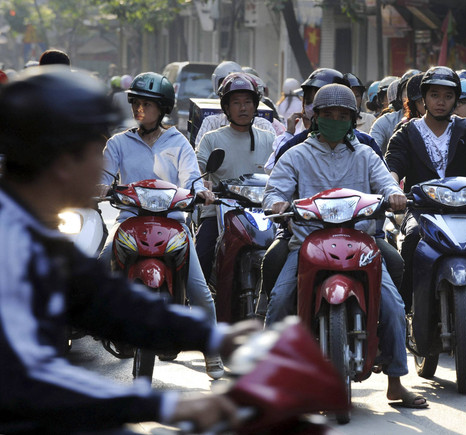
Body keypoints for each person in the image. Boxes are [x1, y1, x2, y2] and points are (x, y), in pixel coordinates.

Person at [0, 65, 258, 434]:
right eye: (93, 148)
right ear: (58, 156)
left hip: (172, 221)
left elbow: (106, 300)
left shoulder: (34, 236)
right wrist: (165, 405)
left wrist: (214, 337)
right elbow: (31, 381)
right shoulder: (8, 243)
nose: (100, 164)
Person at [263, 83, 427, 409]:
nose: (335, 120)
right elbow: (274, 191)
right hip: (307, 242)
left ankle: (395, 382)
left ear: (353, 120)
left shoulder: (366, 155)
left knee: (394, 307)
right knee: (280, 299)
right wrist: (278, 203)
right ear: (316, 117)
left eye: (342, 115)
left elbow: (386, 184)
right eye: (328, 115)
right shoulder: (296, 154)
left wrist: (394, 195)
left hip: (363, 243)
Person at [96, 72, 225, 379]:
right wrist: (99, 187)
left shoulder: (178, 142)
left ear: (163, 108)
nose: (140, 109)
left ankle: (212, 352)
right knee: (94, 266)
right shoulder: (117, 143)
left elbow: (191, 179)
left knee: (200, 290)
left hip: (172, 224)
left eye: (148, 104)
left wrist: (201, 191)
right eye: (136, 103)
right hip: (129, 222)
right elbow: (103, 178)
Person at [385, 66, 466, 331]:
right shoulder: (406, 133)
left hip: (465, 212)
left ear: (456, 100)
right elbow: (392, 168)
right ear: (423, 99)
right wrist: (393, 191)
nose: (440, 101)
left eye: (448, 96)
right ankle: (402, 309)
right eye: (434, 95)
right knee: (411, 240)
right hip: (421, 212)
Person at [195, 72, 275, 283]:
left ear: (255, 105)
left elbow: (283, 174)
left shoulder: (269, 139)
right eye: (236, 103)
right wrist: (202, 186)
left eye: (248, 102)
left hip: (262, 215)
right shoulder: (211, 139)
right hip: (219, 214)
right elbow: (196, 172)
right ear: (226, 108)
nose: (243, 108)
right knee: (199, 256)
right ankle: (195, 307)